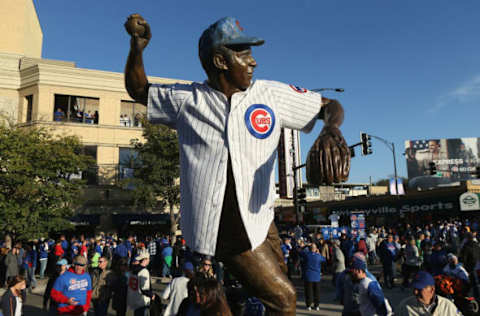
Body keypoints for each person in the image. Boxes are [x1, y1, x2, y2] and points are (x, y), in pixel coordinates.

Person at [124, 14, 350, 315]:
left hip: (259, 216)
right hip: (221, 224)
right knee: (283, 301)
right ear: (220, 61)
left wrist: (331, 128)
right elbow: (139, 90)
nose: (253, 62)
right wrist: (137, 48)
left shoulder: (270, 95)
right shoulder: (188, 99)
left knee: (273, 288)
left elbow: (330, 106)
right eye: (244, 54)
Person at [396, 271, 460, 316]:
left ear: (432, 289)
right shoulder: (404, 306)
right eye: (414, 288)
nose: (415, 292)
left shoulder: (447, 306)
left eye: (419, 289)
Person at [301, 243, 326, 311]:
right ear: (315, 249)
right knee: (317, 292)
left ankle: (308, 305)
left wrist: (305, 246)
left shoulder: (307, 255)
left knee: (309, 292)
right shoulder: (318, 256)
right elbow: (324, 259)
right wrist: (318, 253)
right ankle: (316, 305)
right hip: (317, 276)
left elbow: (301, 252)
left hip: (308, 276)